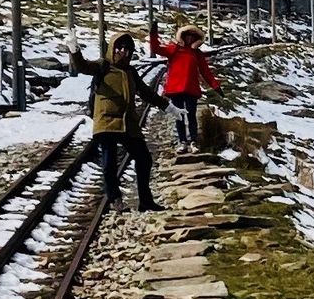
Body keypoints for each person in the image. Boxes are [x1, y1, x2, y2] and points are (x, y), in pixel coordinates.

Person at [70, 32, 164, 211]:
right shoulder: (102, 66)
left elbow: (146, 93)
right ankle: (115, 199)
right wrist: (74, 49)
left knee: (144, 158)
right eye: (120, 48)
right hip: (106, 121)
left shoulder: (131, 72)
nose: (124, 53)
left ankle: (145, 200)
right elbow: (82, 66)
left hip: (128, 122)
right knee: (109, 162)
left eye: (128, 49)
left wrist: (169, 107)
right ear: (113, 48)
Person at [151, 23, 219, 153]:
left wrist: (215, 86)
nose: (189, 38)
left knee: (191, 115)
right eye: (187, 35)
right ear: (182, 36)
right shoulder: (174, 49)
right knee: (179, 116)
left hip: (191, 89)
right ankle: (182, 142)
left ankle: (193, 141)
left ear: (196, 39)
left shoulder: (197, 54)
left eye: (193, 36)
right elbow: (156, 48)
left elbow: (206, 72)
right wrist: (153, 34)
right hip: (176, 90)